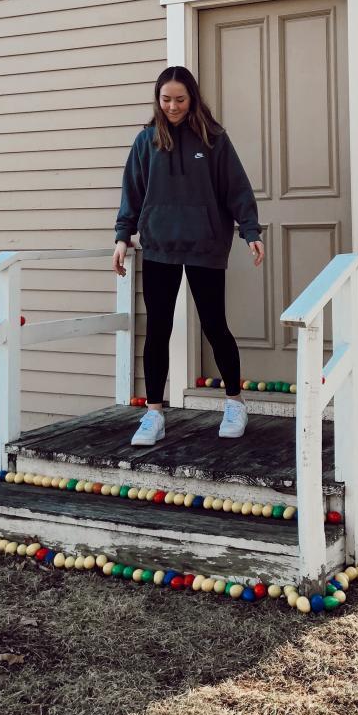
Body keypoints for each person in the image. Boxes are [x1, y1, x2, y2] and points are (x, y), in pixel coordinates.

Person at [113, 66, 265, 446]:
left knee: (215, 325)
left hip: (205, 246)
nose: (173, 106)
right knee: (157, 329)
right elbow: (132, 191)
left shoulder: (213, 139)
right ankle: (154, 413)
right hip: (159, 247)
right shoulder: (146, 141)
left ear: (192, 98)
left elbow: (237, 188)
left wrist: (250, 231)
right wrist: (122, 237)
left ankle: (235, 403)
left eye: (180, 99)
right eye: (166, 99)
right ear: (158, 100)